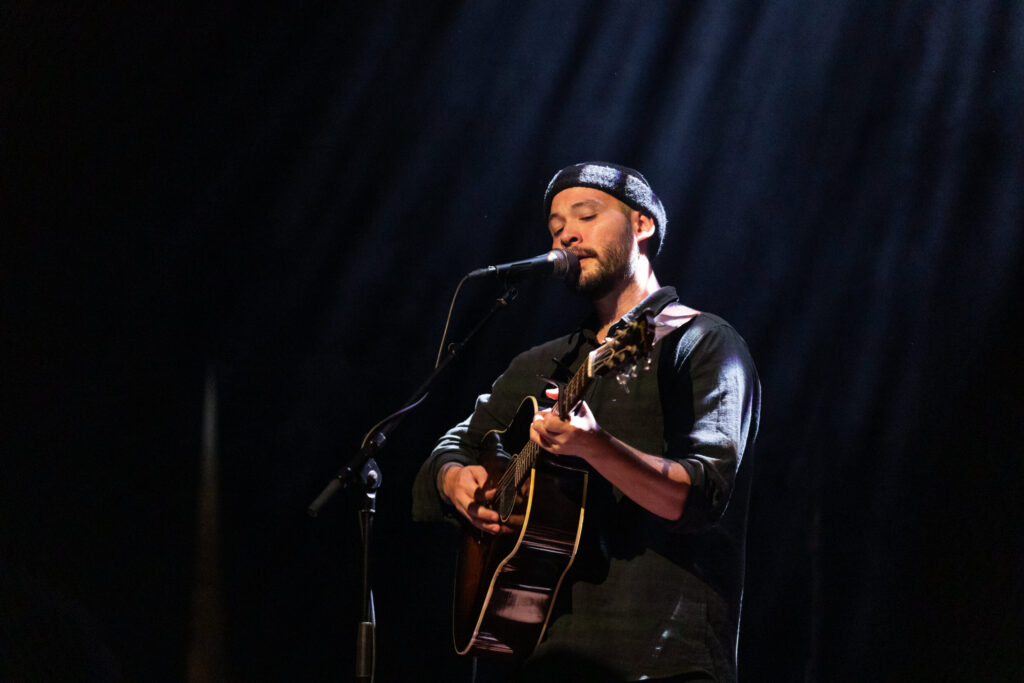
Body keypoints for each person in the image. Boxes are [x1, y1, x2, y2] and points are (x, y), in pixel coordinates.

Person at [413, 162, 760, 682]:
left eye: (587, 215)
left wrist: (595, 446)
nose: (567, 234)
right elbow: (448, 449)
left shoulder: (703, 343)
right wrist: (453, 479)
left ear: (641, 226)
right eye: (555, 227)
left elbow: (702, 494)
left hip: (662, 658)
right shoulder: (538, 364)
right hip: (541, 658)